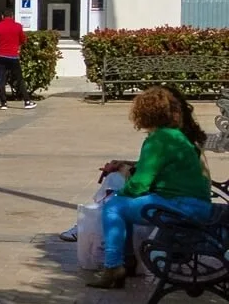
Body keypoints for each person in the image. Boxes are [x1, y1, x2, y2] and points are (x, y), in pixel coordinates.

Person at [87, 85, 213, 289]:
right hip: (198, 206)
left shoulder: (157, 140)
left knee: (114, 206)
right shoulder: (177, 136)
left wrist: (121, 191)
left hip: (179, 207)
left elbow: (139, 184)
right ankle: (123, 261)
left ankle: (113, 267)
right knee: (121, 205)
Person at [0, 10, 34, 111]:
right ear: (12, 16)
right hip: (13, 56)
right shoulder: (17, 26)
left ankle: (3, 103)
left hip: (0, 56)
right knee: (19, 79)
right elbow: (23, 39)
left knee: (1, 80)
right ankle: (27, 101)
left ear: (2, 16)